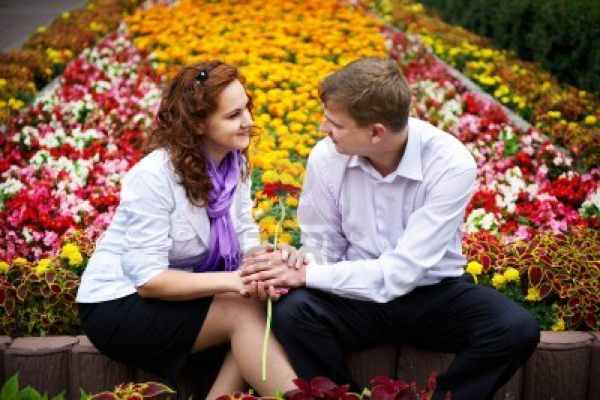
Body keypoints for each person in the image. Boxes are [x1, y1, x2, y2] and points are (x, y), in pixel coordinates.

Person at [240, 57, 540, 400]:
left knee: (516, 328)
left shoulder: (450, 162)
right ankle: (344, 396)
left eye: (335, 123)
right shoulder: (327, 156)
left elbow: (402, 272)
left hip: (432, 292)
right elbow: (322, 243)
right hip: (353, 295)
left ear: (376, 132)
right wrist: (301, 263)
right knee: (292, 312)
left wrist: (306, 276)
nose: (324, 129)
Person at [75, 61, 299, 399]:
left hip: (181, 292)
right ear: (197, 123)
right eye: (234, 114)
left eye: (247, 107)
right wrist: (236, 281)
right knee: (244, 307)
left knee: (268, 301)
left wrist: (271, 260)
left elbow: (244, 236)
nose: (249, 122)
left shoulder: (232, 166)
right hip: (119, 304)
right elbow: (149, 281)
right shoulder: (153, 177)